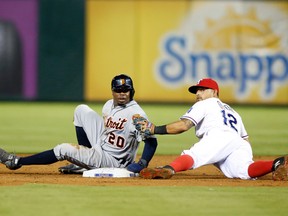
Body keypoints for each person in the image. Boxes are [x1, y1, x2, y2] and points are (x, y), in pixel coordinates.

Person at [133, 78, 287, 181]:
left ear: (215, 92)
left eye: (202, 89)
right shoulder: (233, 111)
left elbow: (183, 126)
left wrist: (154, 129)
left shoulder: (206, 103)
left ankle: (168, 169)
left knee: (192, 155)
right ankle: (278, 162)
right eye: (197, 91)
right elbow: (245, 140)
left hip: (219, 137)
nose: (198, 93)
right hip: (238, 143)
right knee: (245, 171)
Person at [0, 74, 158, 175]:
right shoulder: (109, 105)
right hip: (102, 146)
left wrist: (142, 163)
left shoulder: (136, 115)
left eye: (126, 90)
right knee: (81, 110)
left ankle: (17, 162)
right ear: (112, 91)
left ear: (132, 91)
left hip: (114, 160)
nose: (122, 93)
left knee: (63, 149)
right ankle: (86, 163)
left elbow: (151, 140)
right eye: (118, 90)